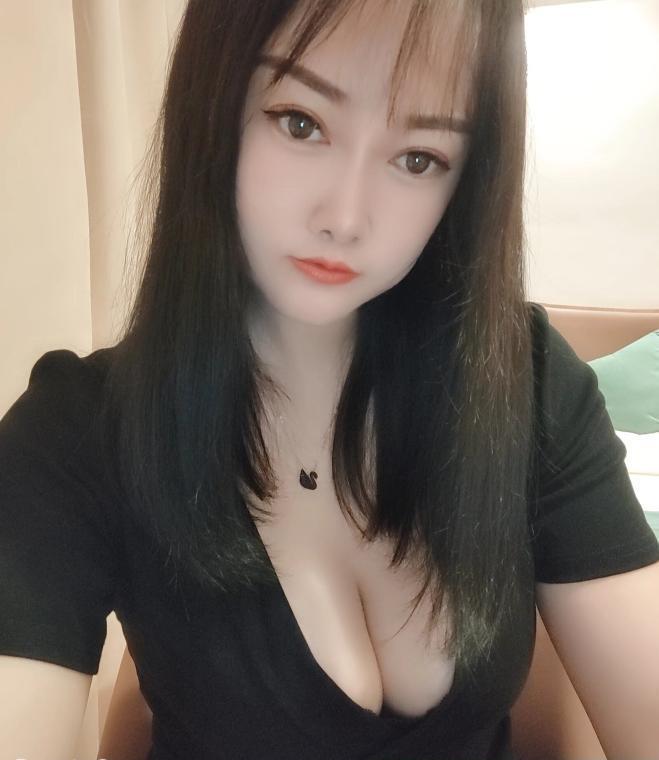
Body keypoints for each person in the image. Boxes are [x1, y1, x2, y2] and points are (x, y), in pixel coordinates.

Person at [1, 1, 658, 758]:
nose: (345, 218)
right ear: (215, 107)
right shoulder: (77, 433)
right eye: (301, 122)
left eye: (419, 158)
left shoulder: (525, 381)